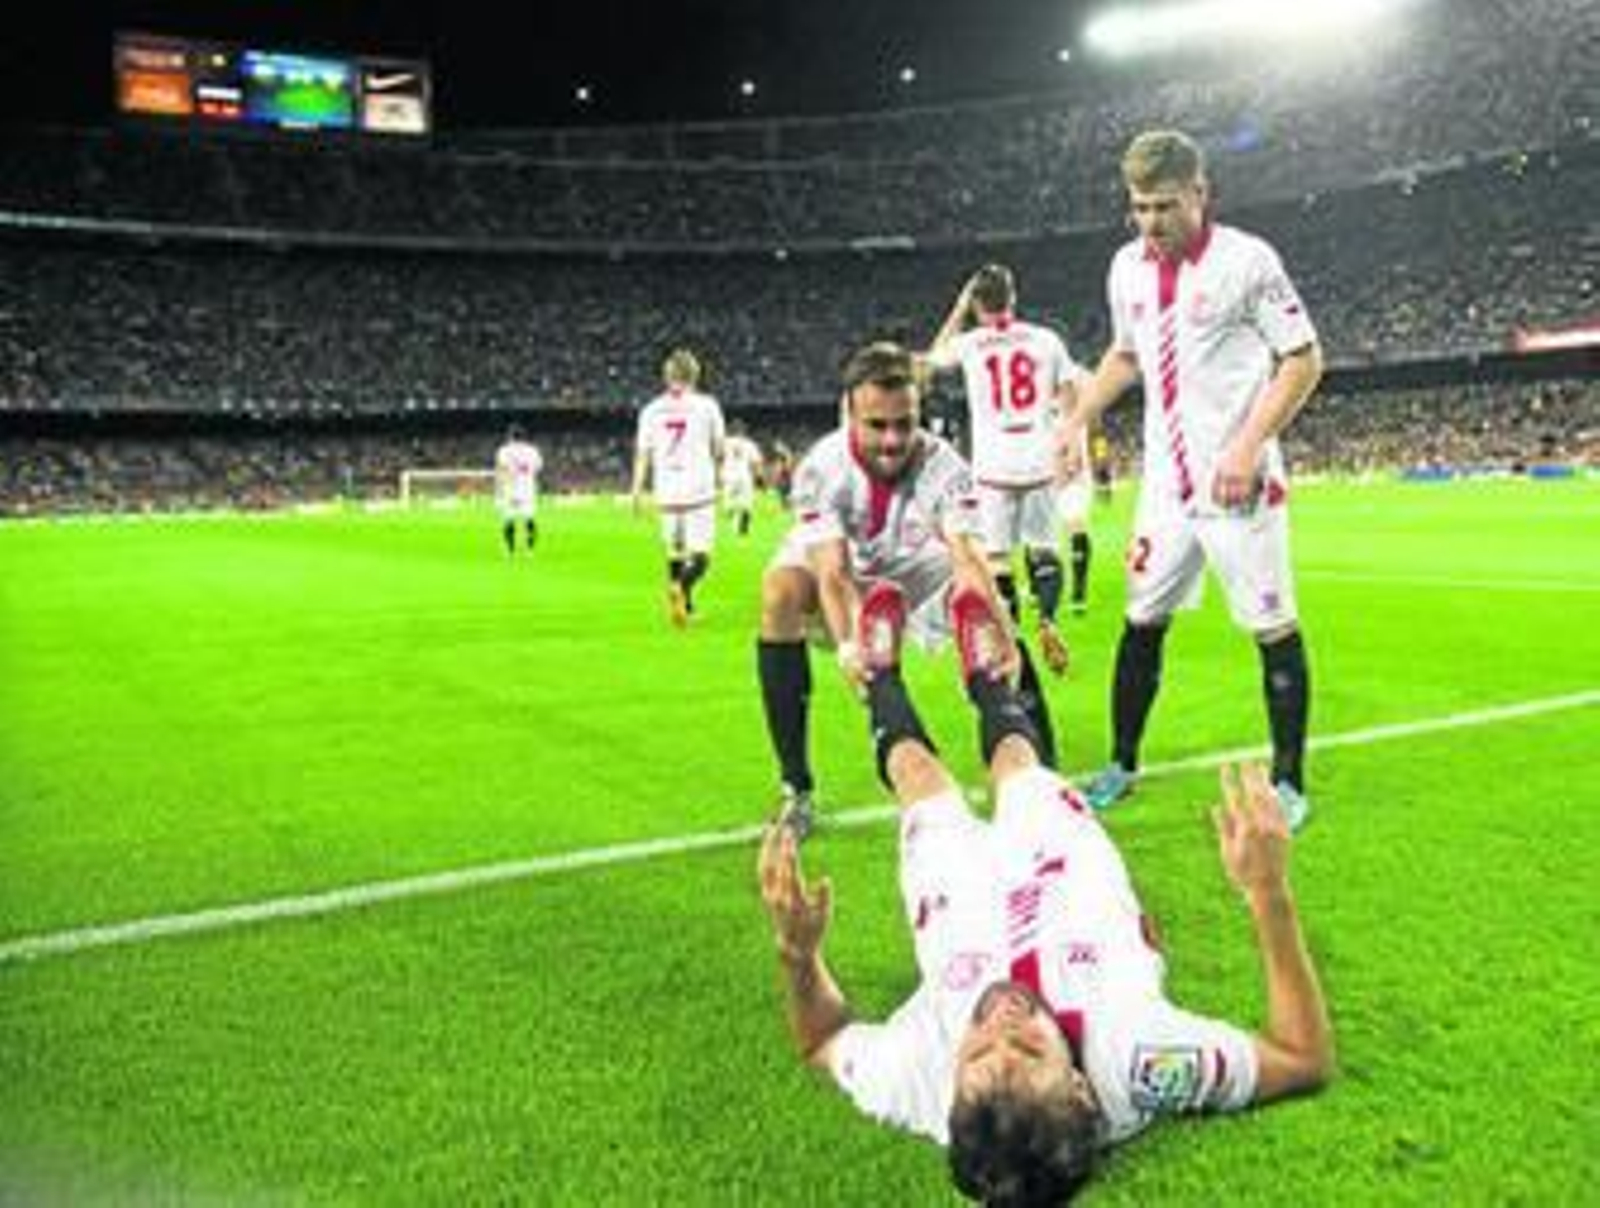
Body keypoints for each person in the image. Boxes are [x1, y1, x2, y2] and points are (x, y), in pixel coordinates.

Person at [758, 584, 1333, 1204]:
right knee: (1016, 765)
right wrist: (1268, 893)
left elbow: (821, 1042)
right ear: (1084, 1092)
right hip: (1067, 884)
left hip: (963, 921)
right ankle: (989, 684)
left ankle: (881, 679)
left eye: (975, 1052)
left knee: (918, 778)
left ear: (948, 1093)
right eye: (1031, 1047)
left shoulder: (916, 1083)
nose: (1002, 1023)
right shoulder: (1140, 1065)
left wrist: (799, 956)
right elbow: (1302, 1059)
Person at [1060, 130, 1324, 830]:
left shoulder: (1247, 261)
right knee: (1141, 621)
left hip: (1240, 484)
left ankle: (1290, 782)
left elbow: (1302, 359)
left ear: (1200, 194)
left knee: (1271, 625)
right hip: (1166, 490)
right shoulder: (1126, 268)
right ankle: (1120, 763)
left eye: (1165, 207)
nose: (1150, 223)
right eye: (1139, 208)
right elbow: (1124, 356)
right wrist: (1074, 419)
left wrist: (1245, 448)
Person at [757, 341, 1055, 840]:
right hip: (852, 572)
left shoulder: (945, 465)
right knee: (779, 592)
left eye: (905, 423)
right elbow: (833, 573)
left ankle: (1039, 777)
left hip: (919, 563)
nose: (893, 440)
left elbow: (966, 554)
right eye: (877, 425)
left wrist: (1001, 624)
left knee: (982, 606)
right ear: (849, 414)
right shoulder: (819, 470)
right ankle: (796, 788)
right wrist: (852, 644)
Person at [924, 264, 1085, 674]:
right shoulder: (1045, 340)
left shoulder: (972, 344)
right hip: (1039, 458)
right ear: (1012, 298)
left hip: (994, 463)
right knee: (1044, 548)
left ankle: (1010, 633)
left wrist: (959, 308)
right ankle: (1047, 618)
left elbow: (931, 360)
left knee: (995, 557)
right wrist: (1069, 442)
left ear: (979, 303)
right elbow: (1069, 393)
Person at [632, 348, 727, 627]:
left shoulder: (650, 410)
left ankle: (685, 607)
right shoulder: (707, 405)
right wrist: (720, 478)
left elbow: (642, 454)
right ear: (695, 375)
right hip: (699, 488)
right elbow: (719, 448)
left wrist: (637, 491)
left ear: (667, 376)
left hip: (667, 489)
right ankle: (682, 588)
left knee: (675, 551)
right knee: (701, 555)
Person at [494, 424, 543, 555]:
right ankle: (529, 549)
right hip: (528, 488)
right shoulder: (533, 450)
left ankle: (510, 550)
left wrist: (499, 489)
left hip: (510, 488)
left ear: (510, 436)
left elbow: (502, 470)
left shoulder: (504, 450)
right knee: (529, 519)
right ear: (524, 436)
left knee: (508, 519)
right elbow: (538, 468)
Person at [722, 422, 765, 538]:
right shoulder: (749, 444)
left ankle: (734, 522)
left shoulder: (724, 442)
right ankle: (743, 523)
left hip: (728, 475)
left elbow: (717, 456)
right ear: (743, 431)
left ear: (731, 430)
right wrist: (759, 478)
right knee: (747, 502)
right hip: (744, 475)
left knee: (729, 504)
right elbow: (756, 462)